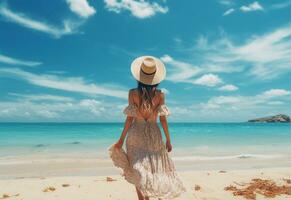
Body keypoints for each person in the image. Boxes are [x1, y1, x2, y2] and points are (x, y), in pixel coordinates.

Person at [108, 55, 186, 200]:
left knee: (137, 169)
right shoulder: (160, 94)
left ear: (139, 76)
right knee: (152, 169)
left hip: (135, 135)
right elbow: (163, 120)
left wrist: (120, 140)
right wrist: (168, 140)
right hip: (154, 136)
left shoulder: (132, 93)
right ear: (155, 77)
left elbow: (129, 119)